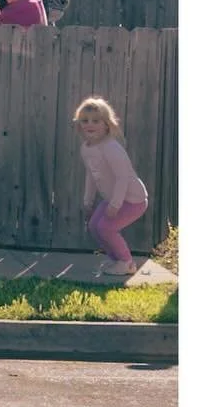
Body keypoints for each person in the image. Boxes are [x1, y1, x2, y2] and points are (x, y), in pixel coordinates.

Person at [75, 96, 150, 277]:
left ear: (107, 125)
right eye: (85, 121)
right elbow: (91, 175)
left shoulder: (111, 148)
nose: (89, 124)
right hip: (114, 198)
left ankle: (126, 262)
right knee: (94, 226)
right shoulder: (86, 148)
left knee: (107, 228)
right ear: (79, 125)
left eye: (96, 121)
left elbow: (123, 178)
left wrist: (115, 205)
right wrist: (88, 201)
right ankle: (115, 259)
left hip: (133, 200)